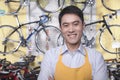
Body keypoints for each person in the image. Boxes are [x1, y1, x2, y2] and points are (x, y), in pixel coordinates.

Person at [37, 5, 108, 80]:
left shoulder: (96, 57)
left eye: (75, 24)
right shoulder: (50, 56)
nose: (71, 30)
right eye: (66, 25)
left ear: (83, 25)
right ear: (61, 28)